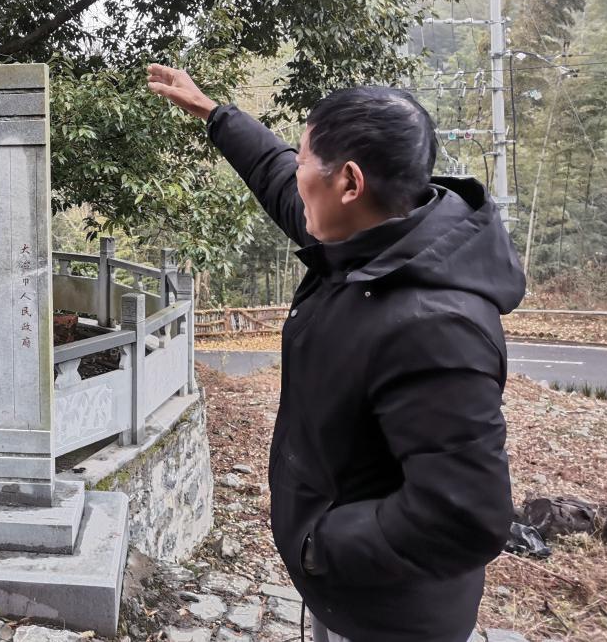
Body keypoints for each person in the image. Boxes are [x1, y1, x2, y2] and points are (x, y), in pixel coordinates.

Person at [146, 64, 526, 642]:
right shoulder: (364, 242)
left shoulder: (436, 327)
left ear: (350, 183)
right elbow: (278, 176)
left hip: (390, 618)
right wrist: (215, 114)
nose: (296, 172)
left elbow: (464, 514)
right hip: (346, 592)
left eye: (305, 159)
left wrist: (319, 546)